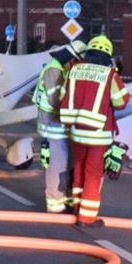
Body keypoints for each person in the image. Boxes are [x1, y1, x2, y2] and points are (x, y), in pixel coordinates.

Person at [58, 35, 130, 226]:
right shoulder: (109, 75)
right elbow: (121, 102)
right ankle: (87, 217)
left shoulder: (74, 70)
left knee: (79, 167)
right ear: (108, 55)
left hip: (76, 131)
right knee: (93, 173)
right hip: (98, 133)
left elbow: (63, 96)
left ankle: (76, 206)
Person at [32, 40, 87, 213]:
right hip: (53, 124)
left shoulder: (60, 67)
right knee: (58, 164)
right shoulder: (54, 69)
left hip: (59, 123)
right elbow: (56, 100)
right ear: (73, 58)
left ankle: (66, 199)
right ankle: (55, 204)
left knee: (67, 163)